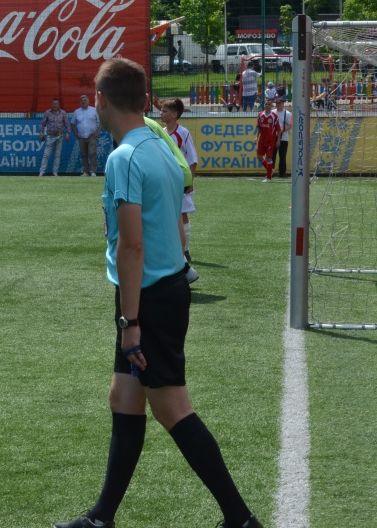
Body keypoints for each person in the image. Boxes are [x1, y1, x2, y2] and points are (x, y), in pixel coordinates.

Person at [53, 57, 262, 528]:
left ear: (102, 101)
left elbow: (132, 245)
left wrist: (130, 323)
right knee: (123, 398)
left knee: (172, 408)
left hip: (147, 299)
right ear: (146, 102)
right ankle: (101, 518)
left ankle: (240, 518)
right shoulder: (159, 145)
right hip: (163, 290)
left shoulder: (123, 157)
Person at [159, 98, 200, 284]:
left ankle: (185, 251)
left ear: (174, 114)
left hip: (181, 181)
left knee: (182, 214)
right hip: (166, 181)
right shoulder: (161, 133)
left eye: (165, 110)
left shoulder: (183, 133)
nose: (161, 113)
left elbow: (192, 158)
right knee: (169, 215)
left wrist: (190, 179)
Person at [39, 98, 71, 176]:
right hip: (50, 136)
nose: (55, 105)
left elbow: (67, 124)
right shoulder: (47, 113)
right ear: (51, 104)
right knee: (46, 154)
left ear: (59, 104)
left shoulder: (63, 113)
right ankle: (42, 171)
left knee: (57, 155)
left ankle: (55, 172)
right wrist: (41, 133)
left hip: (60, 136)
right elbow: (42, 124)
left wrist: (68, 133)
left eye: (56, 103)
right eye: (53, 103)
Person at [72, 94, 101, 176]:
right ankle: (85, 172)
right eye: (82, 100)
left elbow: (101, 122)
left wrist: (98, 133)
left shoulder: (94, 110)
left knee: (92, 154)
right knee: (84, 155)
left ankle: (93, 171)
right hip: (81, 137)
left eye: (85, 100)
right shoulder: (76, 112)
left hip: (92, 136)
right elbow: (72, 124)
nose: (83, 101)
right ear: (80, 102)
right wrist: (76, 135)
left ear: (88, 101)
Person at [255, 98, 280, 182]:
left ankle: (268, 177)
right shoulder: (260, 114)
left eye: (269, 104)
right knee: (259, 156)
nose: (267, 105)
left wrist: (278, 140)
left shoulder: (274, 116)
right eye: (266, 104)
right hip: (262, 139)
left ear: (272, 106)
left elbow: (278, 129)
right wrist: (256, 137)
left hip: (270, 140)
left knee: (269, 158)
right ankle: (271, 170)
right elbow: (259, 127)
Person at [274, 97, 292, 177]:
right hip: (273, 136)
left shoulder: (288, 114)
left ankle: (282, 172)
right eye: (277, 103)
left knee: (282, 155)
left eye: (279, 103)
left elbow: (290, 125)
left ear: (283, 104)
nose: (278, 104)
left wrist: (282, 130)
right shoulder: (272, 112)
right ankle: (271, 171)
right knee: (272, 155)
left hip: (284, 137)